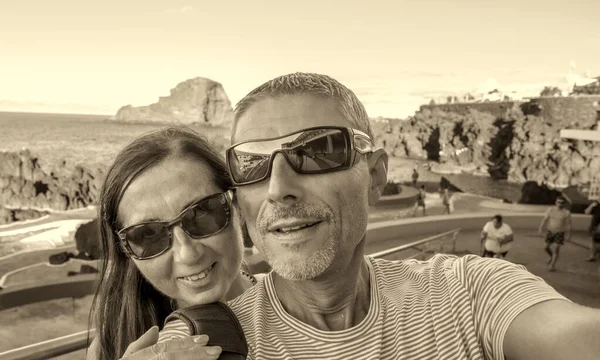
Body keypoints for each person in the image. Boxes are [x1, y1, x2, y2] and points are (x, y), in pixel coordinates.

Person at [137, 73, 600, 359]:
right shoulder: (206, 340)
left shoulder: (470, 292)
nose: (279, 188)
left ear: (375, 175)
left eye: (318, 151)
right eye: (252, 163)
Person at [86, 127, 257, 360]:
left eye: (203, 212)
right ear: (126, 251)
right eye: (148, 234)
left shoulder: (304, 303)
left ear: (235, 203)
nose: (188, 254)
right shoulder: (110, 348)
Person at [538, 196, 572, 271]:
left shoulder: (566, 212)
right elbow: (545, 219)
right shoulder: (551, 210)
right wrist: (540, 228)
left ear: (564, 204)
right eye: (558, 202)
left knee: (556, 249)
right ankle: (551, 257)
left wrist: (569, 235)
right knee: (546, 247)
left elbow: (569, 224)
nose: (560, 204)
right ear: (556, 202)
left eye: (562, 203)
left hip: (560, 233)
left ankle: (552, 265)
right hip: (550, 231)